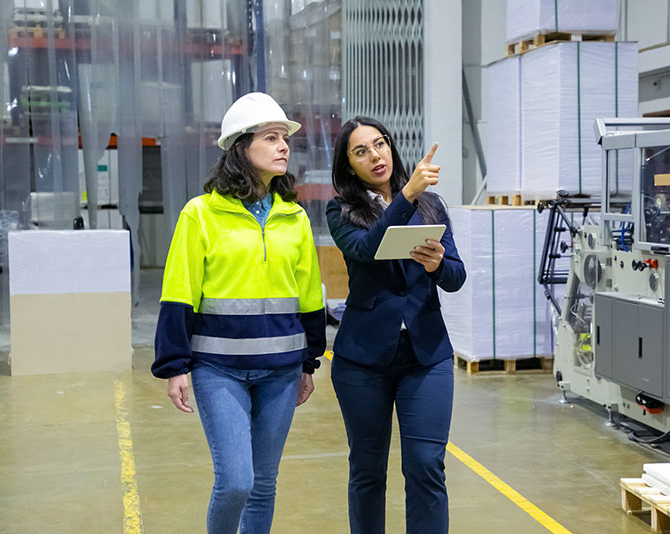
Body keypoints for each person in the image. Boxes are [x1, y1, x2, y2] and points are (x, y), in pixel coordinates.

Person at [151, 92, 326, 534]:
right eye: (271, 137)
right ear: (240, 149)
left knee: (263, 483)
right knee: (235, 482)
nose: (284, 146)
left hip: (282, 372)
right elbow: (179, 292)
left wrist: (309, 362)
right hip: (218, 369)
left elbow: (309, 296)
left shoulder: (295, 218)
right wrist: (175, 366)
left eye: (285, 138)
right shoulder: (201, 214)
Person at [326, 116, 466, 534]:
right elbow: (368, 250)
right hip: (363, 361)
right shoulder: (342, 211)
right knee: (368, 471)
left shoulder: (431, 205)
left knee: (426, 466)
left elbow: (456, 277)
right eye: (361, 151)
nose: (375, 155)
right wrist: (406, 194)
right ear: (349, 166)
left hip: (426, 356)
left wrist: (440, 264)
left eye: (380, 144)